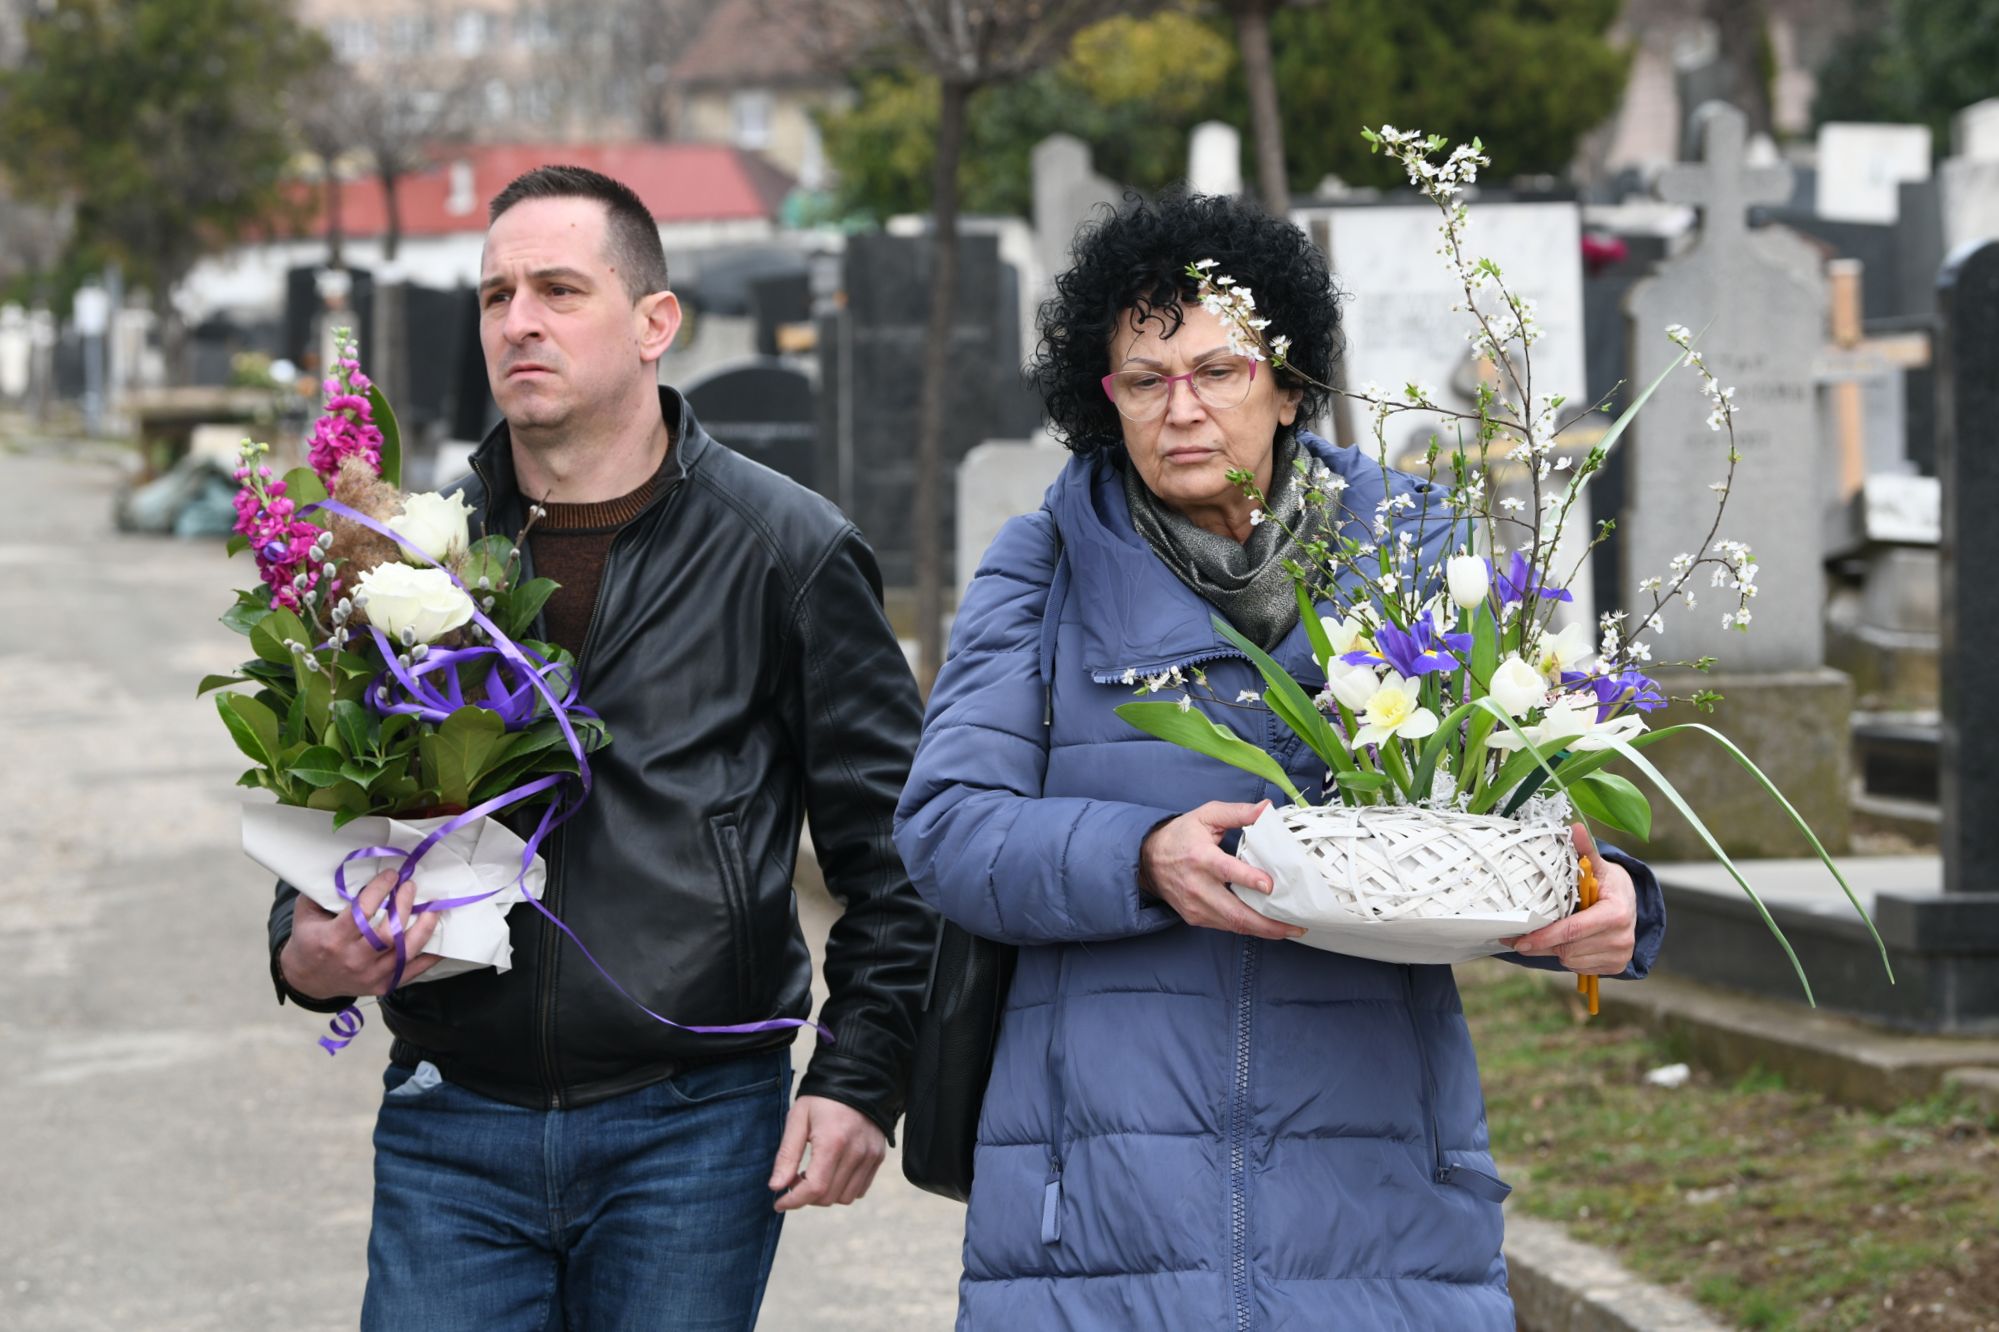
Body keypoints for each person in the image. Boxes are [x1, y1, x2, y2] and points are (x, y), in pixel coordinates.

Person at [893, 191, 1665, 1330]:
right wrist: (1142, 857)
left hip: (1375, 1197)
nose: (1181, 409)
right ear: (1102, 399)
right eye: (1144, 381)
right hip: (1100, 1211)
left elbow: (1521, 811)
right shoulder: (1043, 564)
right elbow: (949, 825)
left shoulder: (1415, 553)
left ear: (1291, 382)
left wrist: (1613, 907)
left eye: (1220, 372)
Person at [268, 165, 934, 1329]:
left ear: (653, 323)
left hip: (692, 1126)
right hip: (451, 1117)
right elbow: (335, 808)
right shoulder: (403, 560)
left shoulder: (788, 550)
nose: (517, 320)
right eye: (494, 295)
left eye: (558, 289)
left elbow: (894, 853)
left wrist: (861, 1075)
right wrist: (302, 949)